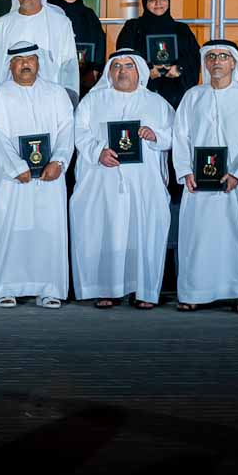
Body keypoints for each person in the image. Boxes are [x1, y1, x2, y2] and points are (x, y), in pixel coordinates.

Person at [71, 50, 174, 308]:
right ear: (109, 72)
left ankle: (143, 291)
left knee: (143, 232)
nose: (122, 71)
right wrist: (98, 152)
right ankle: (106, 288)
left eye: (129, 66)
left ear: (139, 71)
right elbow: (79, 132)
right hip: (102, 181)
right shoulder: (92, 101)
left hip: (144, 185)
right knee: (105, 230)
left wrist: (154, 136)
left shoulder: (157, 103)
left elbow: (175, 137)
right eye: (116, 66)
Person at [173, 39, 238, 314]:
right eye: (212, 56)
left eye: (223, 57)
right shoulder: (193, 96)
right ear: (205, 62)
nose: (217, 61)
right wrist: (185, 171)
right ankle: (195, 292)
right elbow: (181, 135)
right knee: (200, 236)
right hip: (198, 185)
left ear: (234, 63)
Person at [0, 42, 73, 309]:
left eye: (30, 59)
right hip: (11, 179)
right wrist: (16, 166)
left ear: (39, 62)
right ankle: (4, 288)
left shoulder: (56, 94)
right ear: (10, 65)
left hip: (49, 178)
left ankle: (49, 288)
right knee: (8, 229)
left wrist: (59, 161)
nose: (25, 64)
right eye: (18, 60)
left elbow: (67, 130)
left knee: (47, 230)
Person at [0, 0, 78, 92]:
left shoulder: (60, 23)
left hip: (50, 100)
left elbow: (69, 68)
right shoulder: (1, 25)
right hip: (9, 100)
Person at [115, 0, 201, 108]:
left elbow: (193, 56)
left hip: (177, 93)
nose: (158, 3)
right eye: (152, 0)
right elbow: (124, 54)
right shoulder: (133, 27)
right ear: (145, 3)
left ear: (168, 1)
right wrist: (146, 69)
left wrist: (179, 69)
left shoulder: (181, 29)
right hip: (142, 92)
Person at [51, 0, 106, 94]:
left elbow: (100, 42)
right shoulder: (49, 14)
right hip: (56, 80)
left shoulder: (89, 14)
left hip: (87, 80)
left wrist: (95, 70)